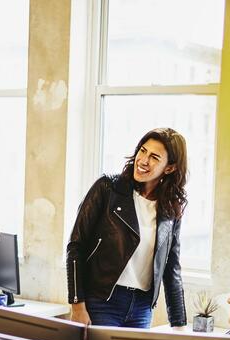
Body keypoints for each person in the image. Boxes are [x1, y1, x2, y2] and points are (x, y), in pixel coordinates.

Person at [66, 127, 188, 329]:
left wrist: (179, 324)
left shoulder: (170, 209)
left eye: (154, 157)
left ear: (170, 168)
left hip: (142, 308)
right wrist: (77, 305)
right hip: (102, 302)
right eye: (142, 151)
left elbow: (171, 266)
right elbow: (76, 246)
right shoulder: (107, 188)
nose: (143, 160)